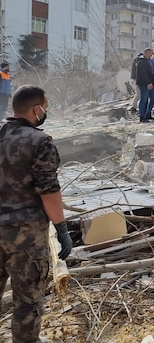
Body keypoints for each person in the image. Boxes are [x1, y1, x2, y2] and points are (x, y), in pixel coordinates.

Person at [0, 85, 72, 342]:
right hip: (25, 236)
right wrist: (62, 229)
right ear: (36, 109)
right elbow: (48, 191)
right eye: (46, 108)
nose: (46, 112)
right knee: (27, 301)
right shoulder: (40, 142)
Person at [135, 48, 154, 123]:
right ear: (147, 53)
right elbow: (143, 74)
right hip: (144, 84)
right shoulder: (141, 62)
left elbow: (148, 73)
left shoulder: (148, 61)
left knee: (153, 98)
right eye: (151, 53)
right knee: (143, 100)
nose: (152, 55)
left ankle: (148, 114)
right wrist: (148, 83)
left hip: (149, 83)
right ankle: (142, 116)